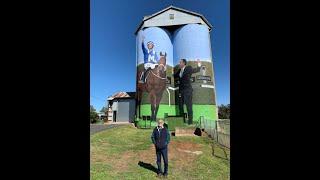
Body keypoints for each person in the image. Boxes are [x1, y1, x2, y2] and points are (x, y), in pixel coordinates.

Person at [174, 59, 201, 124]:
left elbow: (196, 70)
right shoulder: (179, 70)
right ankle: (182, 121)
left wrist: (199, 65)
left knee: (188, 106)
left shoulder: (188, 68)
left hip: (187, 90)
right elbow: (174, 75)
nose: (179, 63)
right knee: (180, 106)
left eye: (180, 62)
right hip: (181, 91)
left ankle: (190, 121)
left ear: (184, 63)